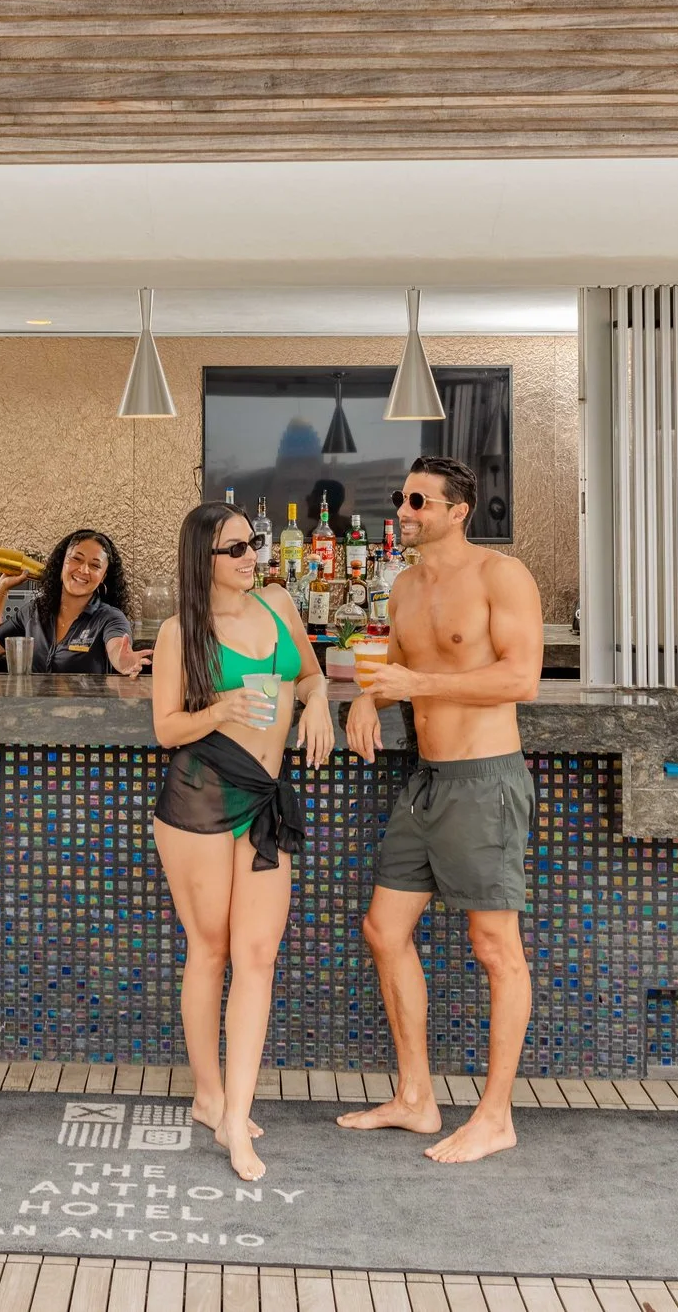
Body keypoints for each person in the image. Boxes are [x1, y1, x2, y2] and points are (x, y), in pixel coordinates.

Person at [338, 455, 544, 1163]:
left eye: (420, 500)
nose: (405, 509)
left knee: (496, 949)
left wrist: (410, 678)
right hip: (426, 782)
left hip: (485, 781)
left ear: (459, 510)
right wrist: (369, 697)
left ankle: (495, 1115)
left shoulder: (500, 576)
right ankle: (416, 1098)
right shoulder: (403, 585)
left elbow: (521, 677)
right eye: (403, 497)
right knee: (382, 927)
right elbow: (393, 669)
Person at [149, 500, 334, 1182]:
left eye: (250, 543)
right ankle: (209, 1094)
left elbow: (311, 674)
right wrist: (221, 707)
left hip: (264, 794)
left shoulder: (281, 604)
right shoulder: (180, 630)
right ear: (202, 559)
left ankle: (237, 1114)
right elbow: (166, 727)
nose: (248, 555)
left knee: (257, 954)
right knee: (212, 947)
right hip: (200, 791)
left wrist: (316, 701)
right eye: (232, 548)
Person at [0, 528, 146, 675]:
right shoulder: (34, 612)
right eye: (76, 559)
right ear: (61, 563)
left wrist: (123, 660)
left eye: (95, 565)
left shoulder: (111, 618)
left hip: (89, 708)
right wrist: (1, 588)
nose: (83, 570)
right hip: (33, 707)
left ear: (103, 577)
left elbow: (117, 648)